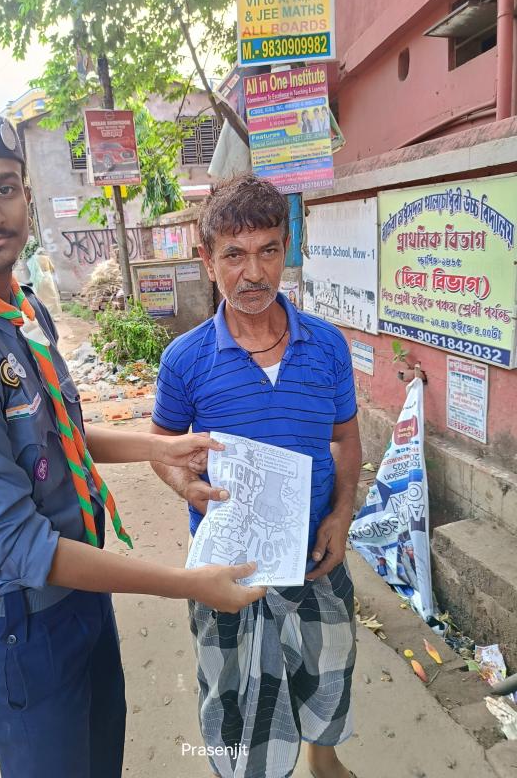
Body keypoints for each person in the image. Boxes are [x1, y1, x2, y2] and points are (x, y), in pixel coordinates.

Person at [0, 109, 265, 778]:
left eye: (6, 188)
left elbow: (58, 434)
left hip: (79, 591)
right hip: (22, 626)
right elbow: (19, 547)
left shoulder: (19, 308)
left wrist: (159, 448)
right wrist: (187, 584)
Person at [150, 174, 362, 778]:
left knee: (327, 670)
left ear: (286, 249)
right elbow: (162, 448)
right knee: (235, 700)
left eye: (268, 251)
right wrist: (186, 486)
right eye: (234, 255)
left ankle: (324, 758)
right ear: (208, 259)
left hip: (315, 557)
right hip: (228, 568)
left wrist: (341, 513)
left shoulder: (327, 346)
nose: (253, 273)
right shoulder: (185, 360)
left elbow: (345, 439)